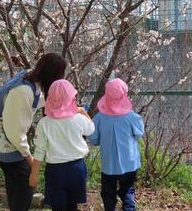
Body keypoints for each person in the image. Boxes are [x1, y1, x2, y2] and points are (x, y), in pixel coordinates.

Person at [0, 52, 67, 211]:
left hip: (2, 132)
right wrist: (31, 160)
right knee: (25, 180)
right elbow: (15, 133)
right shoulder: (23, 91)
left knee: (16, 181)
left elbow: (37, 100)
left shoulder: (30, 76)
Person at [29, 79, 94, 211]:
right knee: (73, 206)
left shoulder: (44, 123)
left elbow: (40, 151)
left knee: (57, 207)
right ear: (71, 98)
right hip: (77, 168)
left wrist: (34, 174)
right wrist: (82, 111)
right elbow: (91, 129)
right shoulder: (79, 119)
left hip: (55, 171)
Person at [88, 78, 144, 211]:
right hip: (129, 163)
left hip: (109, 164)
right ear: (125, 95)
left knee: (108, 194)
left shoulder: (99, 118)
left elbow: (94, 140)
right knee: (127, 190)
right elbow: (139, 134)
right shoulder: (132, 117)